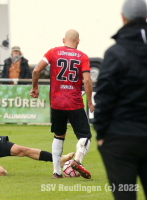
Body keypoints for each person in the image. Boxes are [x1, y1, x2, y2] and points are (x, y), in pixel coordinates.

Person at [94, 0, 147, 199]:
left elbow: (105, 95)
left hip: (121, 137)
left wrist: (100, 132)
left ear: (123, 17)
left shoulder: (115, 52)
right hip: (126, 133)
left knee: (125, 195)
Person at [30, 29, 94, 179]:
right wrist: (90, 102)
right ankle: (77, 160)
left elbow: (36, 70)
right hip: (74, 102)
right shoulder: (83, 57)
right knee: (85, 135)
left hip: (56, 102)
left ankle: (56, 172)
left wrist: (35, 87)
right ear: (78, 41)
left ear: (63, 40)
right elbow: (87, 80)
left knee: (59, 135)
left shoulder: (53, 52)